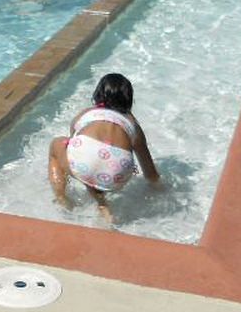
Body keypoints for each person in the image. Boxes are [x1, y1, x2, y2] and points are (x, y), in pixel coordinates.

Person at [48, 72, 161, 223]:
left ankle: (62, 199)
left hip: (85, 163)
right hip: (119, 172)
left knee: (57, 145)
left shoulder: (86, 113)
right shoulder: (133, 125)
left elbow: (77, 149)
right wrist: (159, 187)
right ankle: (102, 204)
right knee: (97, 162)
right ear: (129, 100)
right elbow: (150, 173)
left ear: (97, 94)